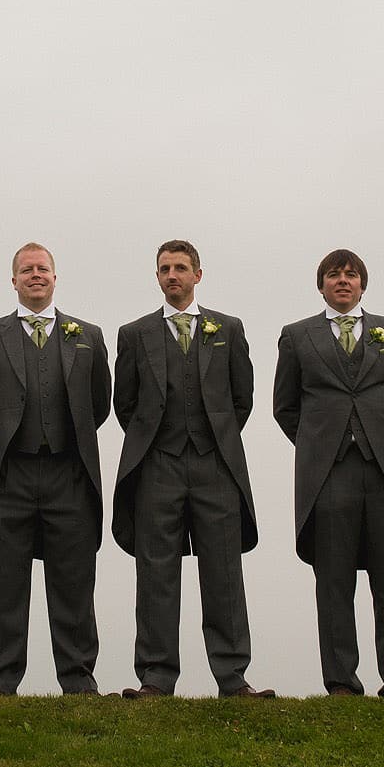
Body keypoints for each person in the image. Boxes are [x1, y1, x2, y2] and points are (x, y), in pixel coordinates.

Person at [112, 241, 271, 698]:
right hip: (156, 467)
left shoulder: (229, 329)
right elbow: (125, 404)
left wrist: (212, 438)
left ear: (198, 275)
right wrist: (156, 442)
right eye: (164, 268)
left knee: (224, 574)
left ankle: (233, 678)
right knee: (156, 574)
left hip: (214, 466)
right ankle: (156, 678)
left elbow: (241, 399)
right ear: (157, 277)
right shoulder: (134, 334)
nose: (172, 275)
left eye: (180, 268)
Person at [273, 249, 384, 698]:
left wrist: (380, 438)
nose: (343, 280)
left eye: (351, 274)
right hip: (328, 475)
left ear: (362, 284)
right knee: (334, 581)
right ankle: (341, 681)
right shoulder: (296, 336)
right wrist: (322, 444)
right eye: (334, 274)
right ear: (321, 285)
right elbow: (285, 407)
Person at [0, 242, 112, 695]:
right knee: (5, 583)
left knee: (74, 583)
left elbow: (99, 405)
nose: (35, 275)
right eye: (26, 270)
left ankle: (79, 680)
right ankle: (1, 682)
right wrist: (6, 440)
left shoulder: (88, 335)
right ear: (14, 281)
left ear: (54, 277)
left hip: (70, 474)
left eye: (42, 268)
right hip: (11, 477)